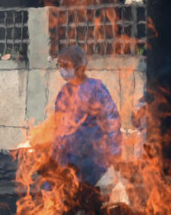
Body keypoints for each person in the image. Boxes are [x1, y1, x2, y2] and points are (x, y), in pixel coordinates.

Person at [49, 45, 122, 185]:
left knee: (91, 196)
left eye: (66, 65)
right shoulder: (64, 93)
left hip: (94, 158)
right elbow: (59, 126)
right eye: (60, 65)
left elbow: (111, 120)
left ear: (79, 67)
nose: (62, 69)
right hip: (70, 158)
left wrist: (115, 151)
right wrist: (56, 153)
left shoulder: (96, 89)